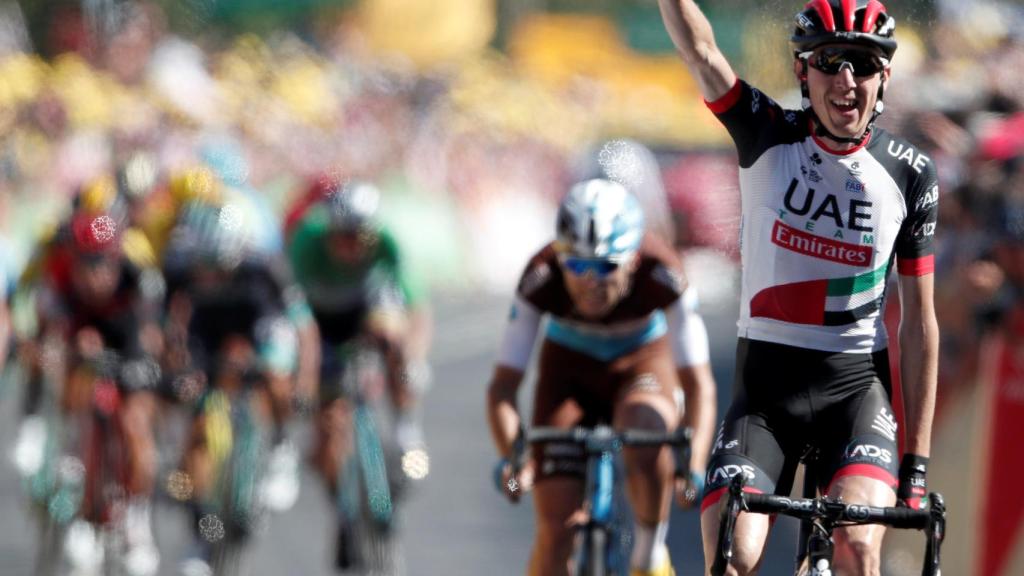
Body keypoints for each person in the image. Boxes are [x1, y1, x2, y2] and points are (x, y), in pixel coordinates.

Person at [656, 1, 939, 573]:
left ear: (883, 77)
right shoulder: (766, 132)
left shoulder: (911, 173)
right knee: (734, 554)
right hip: (765, 398)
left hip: (855, 393)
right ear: (801, 72)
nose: (846, 80)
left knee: (859, 547)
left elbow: (920, 324)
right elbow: (702, 51)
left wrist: (916, 465)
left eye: (862, 63)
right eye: (830, 61)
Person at [486, 179, 717, 576]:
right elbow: (503, 388)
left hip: (641, 364)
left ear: (631, 260)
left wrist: (692, 465)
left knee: (646, 433)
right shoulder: (540, 274)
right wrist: (513, 456)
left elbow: (699, 385)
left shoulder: (662, 271)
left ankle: (648, 552)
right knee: (555, 531)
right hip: (568, 372)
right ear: (560, 258)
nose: (590, 281)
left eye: (605, 266)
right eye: (576, 265)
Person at [286, 178, 433, 561]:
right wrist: (305, 375)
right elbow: (296, 321)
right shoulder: (306, 242)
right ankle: (343, 505)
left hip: (366, 313)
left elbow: (416, 308)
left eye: (359, 239)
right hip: (319, 327)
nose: (351, 248)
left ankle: (405, 428)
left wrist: (413, 361)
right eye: (342, 238)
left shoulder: (386, 242)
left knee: (394, 334)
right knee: (327, 437)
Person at [32, 211, 165, 576]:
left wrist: (142, 369)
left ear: (117, 256)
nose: (95, 275)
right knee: (72, 375)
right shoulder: (58, 273)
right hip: (82, 331)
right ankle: (71, 457)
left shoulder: (139, 275)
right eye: (85, 263)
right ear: (72, 257)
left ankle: (137, 516)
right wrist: (57, 353)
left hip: (128, 335)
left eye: (103, 262)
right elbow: (48, 331)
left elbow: (152, 335)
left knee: (135, 420)